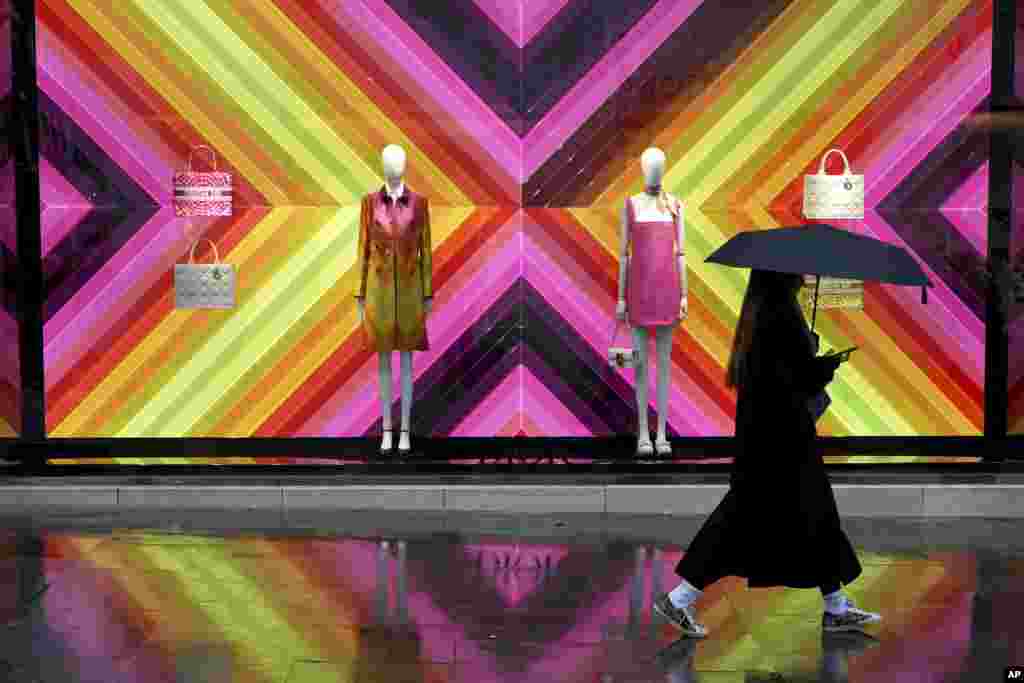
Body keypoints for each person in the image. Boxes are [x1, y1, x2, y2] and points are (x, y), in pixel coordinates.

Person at [652, 270, 880, 636]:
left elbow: (779, 372)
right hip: (782, 439)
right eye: (797, 270)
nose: (803, 275)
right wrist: (824, 365)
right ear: (782, 275)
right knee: (760, 517)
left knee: (810, 514)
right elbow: (796, 379)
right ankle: (679, 598)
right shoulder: (781, 312)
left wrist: (807, 353)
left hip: (767, 436)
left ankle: (836, 606)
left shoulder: (762, 311)